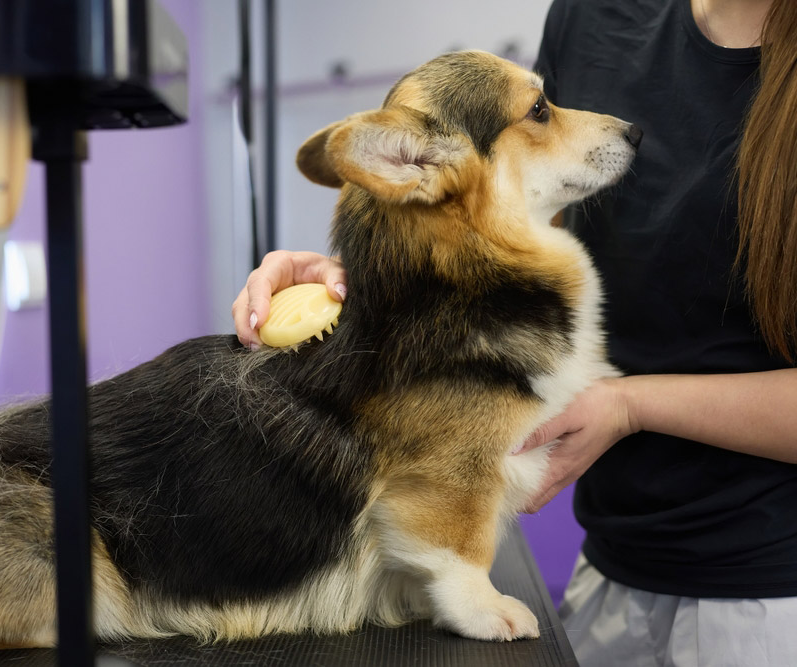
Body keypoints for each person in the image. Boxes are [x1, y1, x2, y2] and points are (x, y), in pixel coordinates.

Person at [231, 0, 797, 664]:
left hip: (768, 596)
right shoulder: (598, 15)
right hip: (613, 562)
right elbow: (503, 230)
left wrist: (629, 403)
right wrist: (371, 273)